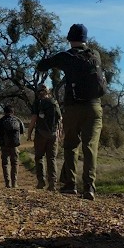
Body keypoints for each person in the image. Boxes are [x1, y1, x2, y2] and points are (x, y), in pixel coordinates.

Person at [36, 24, 104, 201]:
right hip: (94, 107)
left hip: (73, 107)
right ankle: (89, 187)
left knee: (71, 144)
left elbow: (41, 66)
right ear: (85, 39)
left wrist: (52, 60)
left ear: (69, 38)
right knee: (90, 147)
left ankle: (70, 185)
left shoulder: (65, 56)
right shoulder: (95, 54)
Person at [28, 84, 61, 190]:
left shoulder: (38, 103)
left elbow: (34, 119)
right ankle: (52, 183)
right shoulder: (54, 102)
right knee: (51, 158)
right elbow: (60, 119)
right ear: (48, 91)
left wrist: (29, 133)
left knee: (39, 157)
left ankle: (41, 182)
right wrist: (59, 132)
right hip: (53, 134)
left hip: (40, 134)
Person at [0, 103, 26, 188]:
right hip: (15, 145)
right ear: (13, 112)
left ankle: (7, 183)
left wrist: (0, 142)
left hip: (4, 145)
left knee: (5, 164)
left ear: (4, 112)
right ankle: (14, 183)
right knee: (15, 163)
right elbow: (22, 131)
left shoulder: (1, 121)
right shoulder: (17, 120)